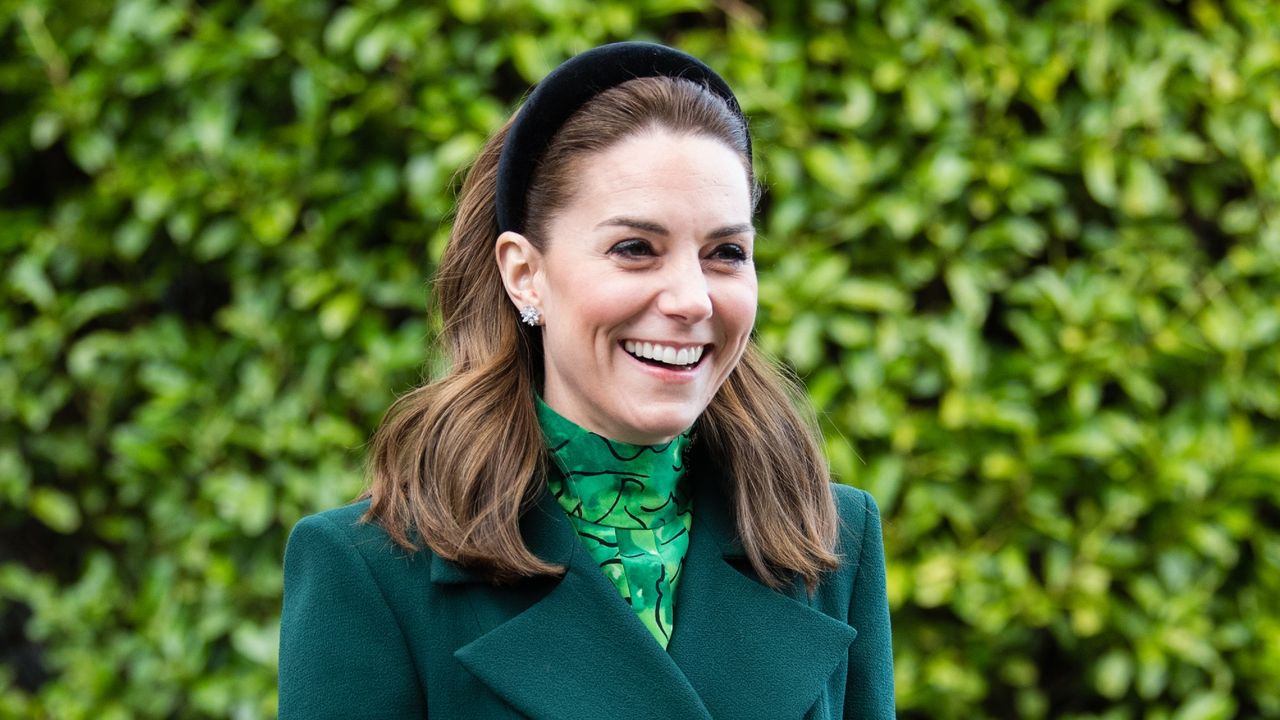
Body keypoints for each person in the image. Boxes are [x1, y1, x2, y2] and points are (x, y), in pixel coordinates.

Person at [278, 41, 894, 719]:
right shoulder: (372, 572)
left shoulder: (829, 543)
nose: (693, 299)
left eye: (726, 253)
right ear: (524, 273)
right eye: (635, 249)